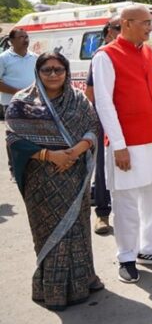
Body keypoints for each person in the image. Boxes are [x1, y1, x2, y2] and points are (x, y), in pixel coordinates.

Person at [5, 52, 102, 311]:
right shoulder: (22, 101)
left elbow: (92, 128)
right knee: (48, 232)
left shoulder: (78, 100)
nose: (53, 74)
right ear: (37, 72)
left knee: (78, 230)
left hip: (74, 176)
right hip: (41, 179)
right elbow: (13, 138)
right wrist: (50, 155)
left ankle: (83, 281)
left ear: (66, 72)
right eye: (46, 69)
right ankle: (51, 289)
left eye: (58, 69)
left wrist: (74, 152)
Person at [92, 4, 152, 284]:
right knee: (126, 202)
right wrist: (118, 145)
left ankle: (148, 248)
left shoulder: (148, 52)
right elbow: (104, 103)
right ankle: (126, 256)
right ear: (126, 23)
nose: (150, 28)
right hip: (126, 144)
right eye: (146, 23)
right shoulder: (106, 56)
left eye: (150, 23)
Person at [85, 16, 121, 235]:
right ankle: (102, 213)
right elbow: (90, 93)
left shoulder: (137, 53)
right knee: (103, 166)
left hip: (129, 120)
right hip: (105, 119)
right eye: (119, 28)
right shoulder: (102, 56)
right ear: (109, 31)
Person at [1, 28, 37, 177]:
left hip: (32, 103)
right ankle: (14, 168)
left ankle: (30, 165)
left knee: (32, 135)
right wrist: (19, 92)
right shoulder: (3, 58)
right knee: (14, 136)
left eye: (26, 36)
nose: (25, 39)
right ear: (11, 41)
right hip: (12, 104)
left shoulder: (34, 57)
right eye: (21, 37)